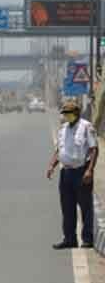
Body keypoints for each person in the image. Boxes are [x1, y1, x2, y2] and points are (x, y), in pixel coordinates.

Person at [48, 100, 98, 250]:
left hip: (81, 172)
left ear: (76, 113)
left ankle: (87, 239)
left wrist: (90, 170)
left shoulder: (86, 127)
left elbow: (94, 149)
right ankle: (69, 239)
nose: (66, 116)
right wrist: (52, 165)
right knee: (67, 207)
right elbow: (59, 150)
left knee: (85, 207)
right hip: (66, 173)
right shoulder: (63, 129)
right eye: (65, 114)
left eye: (69, 113)